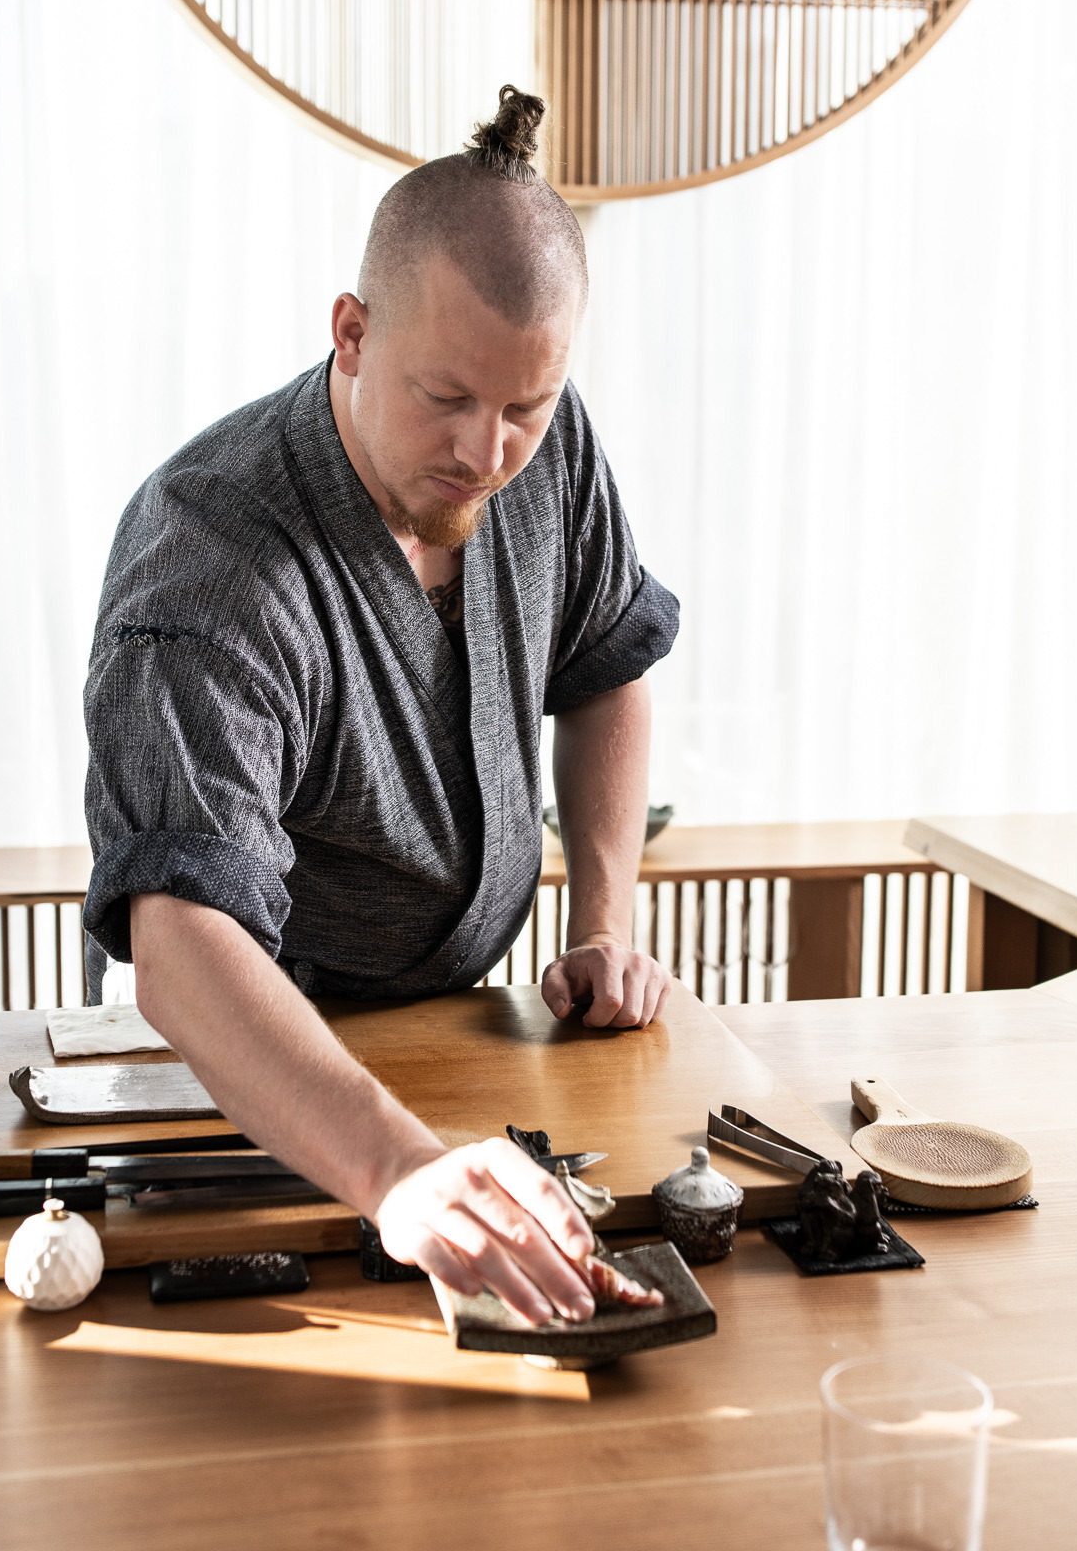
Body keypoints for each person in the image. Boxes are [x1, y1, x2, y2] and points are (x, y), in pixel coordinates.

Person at [82, 87, 679, 1326]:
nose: (486, 452)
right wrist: (396, 1168)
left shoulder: (544, 449)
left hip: (466, 1032)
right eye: (446, 397)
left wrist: (603, 915)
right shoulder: (211, 551)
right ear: (351, 331)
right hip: (249, 1056)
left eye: (527, 406)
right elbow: (181, 942)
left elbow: (608, 659)